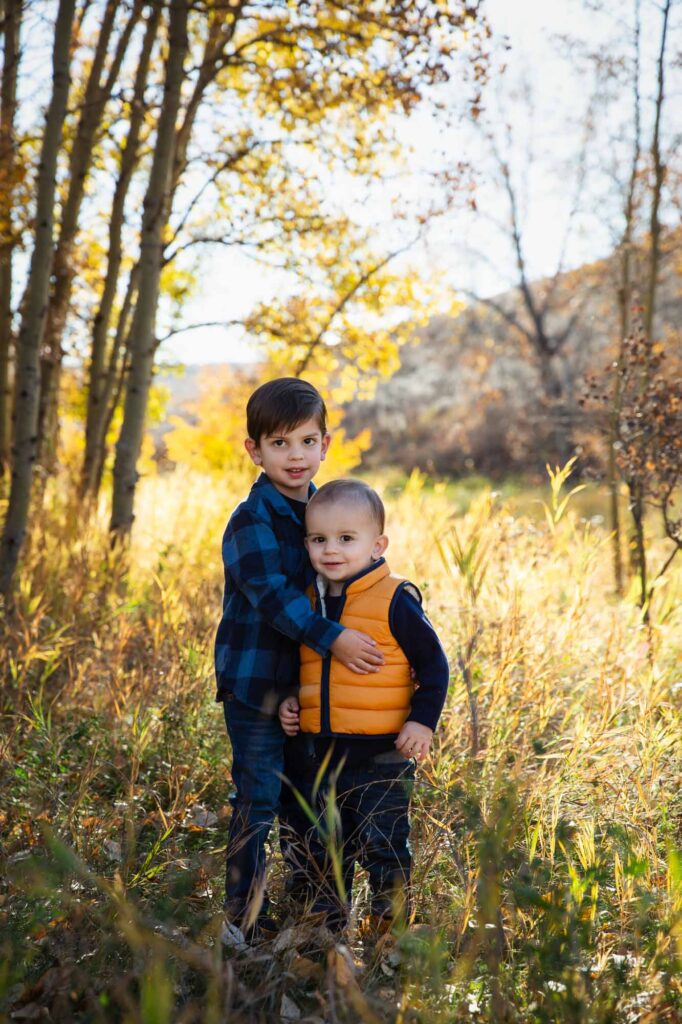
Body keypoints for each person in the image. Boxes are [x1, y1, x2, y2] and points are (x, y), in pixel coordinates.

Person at [215, 378, 385, 945]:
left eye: (307, 442)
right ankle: (242, 919)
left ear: (325, 443)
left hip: (306, 686)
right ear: (255, 450)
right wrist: (332, 638)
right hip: (256, 684)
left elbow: (348, 578)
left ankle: (315, 908)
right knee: (258, 796)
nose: (295, 456)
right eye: (280, 444)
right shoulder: (251, 521)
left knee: (309, 798)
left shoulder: (324, 513)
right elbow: (274, 599)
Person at [278, 478, 449, 933]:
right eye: (319, 539)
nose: (330, 550)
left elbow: (434, 666)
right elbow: (312, 669)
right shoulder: (309, 603)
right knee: (326, 845)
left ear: (378, 544)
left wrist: (422, 722)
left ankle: (387, 933)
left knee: (384, 844)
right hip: (322, 754)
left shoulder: (394, 599)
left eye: (346, 539)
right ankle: (326, 933)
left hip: (382, 756)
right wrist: (294, 701)